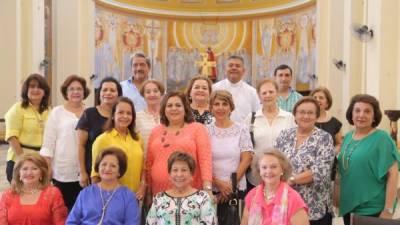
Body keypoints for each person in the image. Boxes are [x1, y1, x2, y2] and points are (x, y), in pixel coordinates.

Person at [338, 94, 400, 225]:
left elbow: (393, 175)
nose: (361, 115)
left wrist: (388, 209)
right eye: (357, 110)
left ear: (374, 116)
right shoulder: (348, 137)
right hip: (349, 204)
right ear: (351, 114)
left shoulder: (382, 139)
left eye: (367, 111)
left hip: (373, 207)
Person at [274, 97, 335, 225]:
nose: (306, 116)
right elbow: (274, 162)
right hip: (285, 204)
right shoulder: (284, 135)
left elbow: (319, 171)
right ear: (295, 115)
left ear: (316, 116)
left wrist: (290, 181)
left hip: (314, 207)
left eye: (310, 113)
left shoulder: (324, 138)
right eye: (302, 112)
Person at [146, 91, 212, 196]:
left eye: (178, 105)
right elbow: (149, 163)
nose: (173, 108)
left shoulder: (197, 128)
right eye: (169, 105)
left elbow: (205, 160)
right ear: (164, 109)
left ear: (185, 109)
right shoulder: (155, 131)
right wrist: (147, 190)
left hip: (190, 193)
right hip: (159, 194)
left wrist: (208, 188)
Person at [40, 75, 90, 211]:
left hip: (86, 170)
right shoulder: (57, 112)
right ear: (66, 92)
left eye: (79, 89)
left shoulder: (90, 112)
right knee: (63, 211)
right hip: (62, 171)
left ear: (84, 92)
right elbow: (48, 143)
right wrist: (48, 167)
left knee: (84, 211)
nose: (76, 92)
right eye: (71, 89)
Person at [206, 90, 253, 224]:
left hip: (235, 189)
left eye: (224, 104)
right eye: (216, 104)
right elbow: (202, 161)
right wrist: (217, 183)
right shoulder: (205, 130)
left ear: (231, 107)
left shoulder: (241, 129)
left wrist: (230, 185)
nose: (220, 108)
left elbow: (247, 158)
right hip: (211, 188)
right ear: (211, 108)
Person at [67, 147, 140, 225]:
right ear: (98, 168)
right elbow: (71, 222)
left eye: (113, 166)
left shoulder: (128, 196)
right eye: (104, 164)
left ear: (119, 171)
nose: (107, 168)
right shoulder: (85, 193)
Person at [245, 78, 296, 188]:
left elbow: (294, 146)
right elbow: (245, 146)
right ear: (259, 96)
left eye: (271, 92)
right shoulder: (251, 118)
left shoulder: (289, 118)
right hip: (257, 176)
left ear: (277, 94)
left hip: (283, 176)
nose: (268, 95)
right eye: (264, 93)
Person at [91, 97, 145, 200]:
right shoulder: (102, 140)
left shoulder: (138, 139)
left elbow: (143, 167)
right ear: (113, 115)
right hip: (110, 198)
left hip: (134, 198)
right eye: (120, 112)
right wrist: (100, 199)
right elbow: (95, 174)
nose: (125, 116)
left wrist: (143, 185)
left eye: (129, 113)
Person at [146, 151, 217, 225]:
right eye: (175, 170)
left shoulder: (202, 197)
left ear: (191, 174)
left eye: (184, 170)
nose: (179, 174)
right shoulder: (159, 198)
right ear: (169, 174)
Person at [241, 150, 309, 225]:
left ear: (282, 169)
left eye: (273, 167)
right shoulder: (252, 195)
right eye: (264, 167)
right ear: (259, 171)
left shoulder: (293, 199)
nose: (268, 171)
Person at [76, 77, 122, 188]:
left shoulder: (122, 115)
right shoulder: (89, 114)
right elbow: (81, 145)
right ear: (99, 93)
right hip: (93, 174)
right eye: (105, 90)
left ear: (118, 94)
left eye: (112, 90)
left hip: (117, 173)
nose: (108, 93)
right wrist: (82, 172)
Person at [4, 73, 51, 182]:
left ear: (45, 92)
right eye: (32, 86)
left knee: (39, 195)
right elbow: (12, 137)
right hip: (19, 159)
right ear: (26, 90)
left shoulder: (49, 111)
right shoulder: (17, 109)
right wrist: (23, 161)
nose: (36, 90)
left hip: (41, 161)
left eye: (40, 87)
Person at [0, 153, 68, 224]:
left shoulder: (53, 193)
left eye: (34, 169)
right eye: (25, 169)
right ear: (19, 173)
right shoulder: (8, 194)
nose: (29, 173)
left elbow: (60, 222)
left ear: (42, 173)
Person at [310, 87, 342, 207]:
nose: (317, 100)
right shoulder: (306, 119)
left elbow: (339, 142)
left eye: (321, 98)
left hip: (328, 165)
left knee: (325, 198)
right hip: (308, 165)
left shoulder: (335, 122)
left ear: (327, 102)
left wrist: (332, 152)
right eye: (315, 97)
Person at [213, 55, 260, 123]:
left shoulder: (252, 92)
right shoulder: (214, 88)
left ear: (243, 71)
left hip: (243, 131)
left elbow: (257, 114)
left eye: (237, 66)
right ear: (225, 70)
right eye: (231, 65)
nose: (234, 68)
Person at [136, 80, 165, 156]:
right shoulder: (137, 117)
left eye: (155, 91)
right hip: (145, 163)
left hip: (167, 162)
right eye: (148, 92)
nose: (152, 94)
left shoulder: (169, 115)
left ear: (161, 93)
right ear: (143, 95)